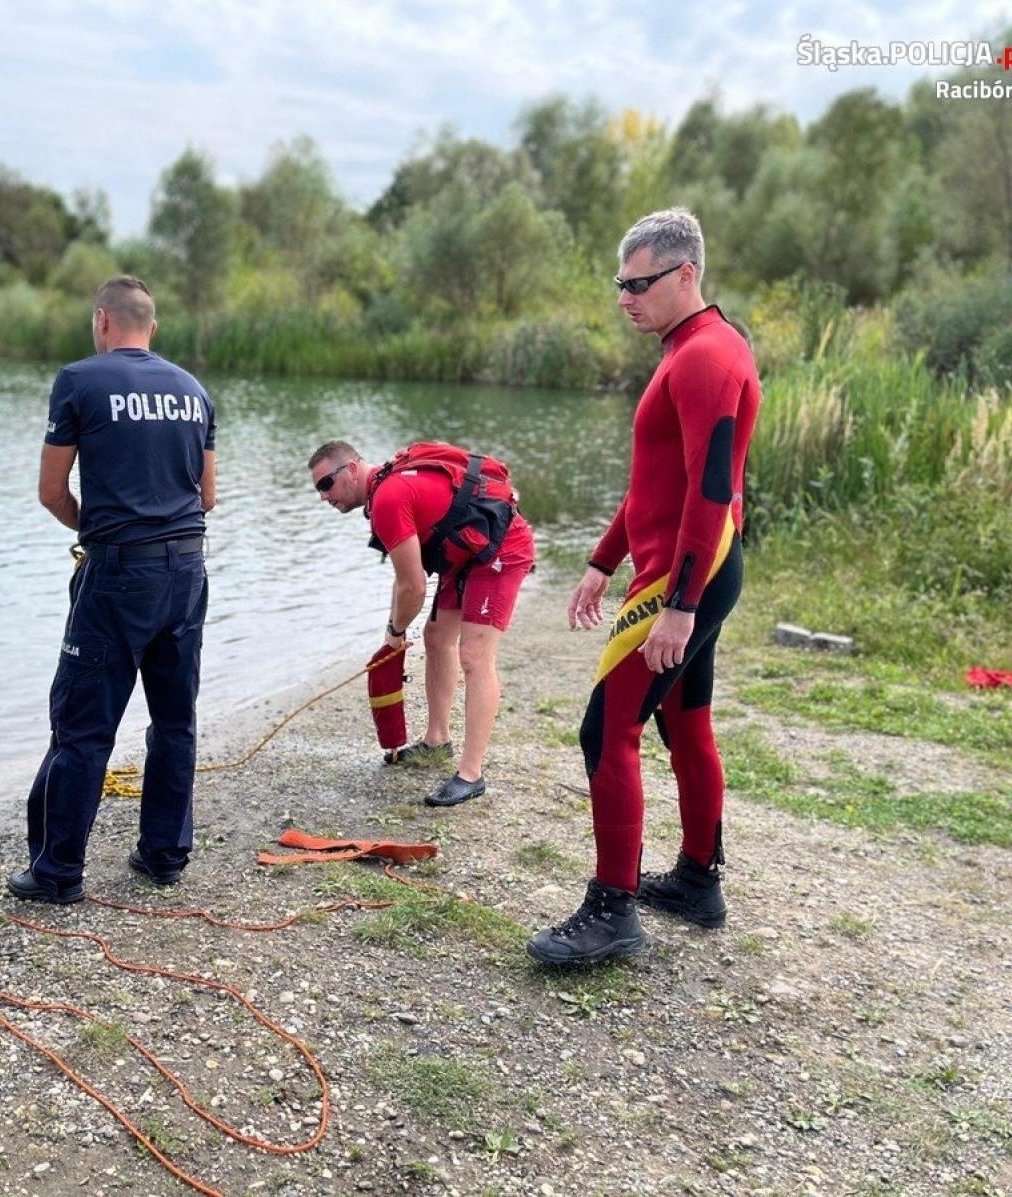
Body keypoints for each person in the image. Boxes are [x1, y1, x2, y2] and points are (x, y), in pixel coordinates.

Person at [529, 208, 761, 965]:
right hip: (685, 569)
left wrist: (681, 606)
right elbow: (656, 483)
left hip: (687, 572)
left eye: (638, 283)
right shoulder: (687, 348)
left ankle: (611, 911)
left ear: (685, 274)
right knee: (684, 722)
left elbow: (711, 491)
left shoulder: (705, 357)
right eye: (618, 283)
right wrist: (601, 558)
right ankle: (698, 881)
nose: (624, 297)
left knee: (607, 728)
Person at [10, 275, 216, 904]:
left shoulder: (80, 380)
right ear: (149, 327)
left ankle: (56, 872)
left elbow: (51, 493)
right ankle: (163, 856)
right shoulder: (193, 389)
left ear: (103, 321)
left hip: (118, 575)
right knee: (174, 721)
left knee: (83, 725)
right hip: (186, 570)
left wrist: (97, 529)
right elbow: (207, 496)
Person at [308, 440, 535, 807]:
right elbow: (404, 582)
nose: (323, 496)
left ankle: (471, 774)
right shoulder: (385, 489)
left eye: (326, 484)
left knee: (475, 656)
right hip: (466, 552)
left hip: (500, 548)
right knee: (436, 635)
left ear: (351, 469)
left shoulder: (386, 500)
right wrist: (391, 632)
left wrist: (395, 634)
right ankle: (436, 739)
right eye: (318, 489)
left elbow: (414, 586)